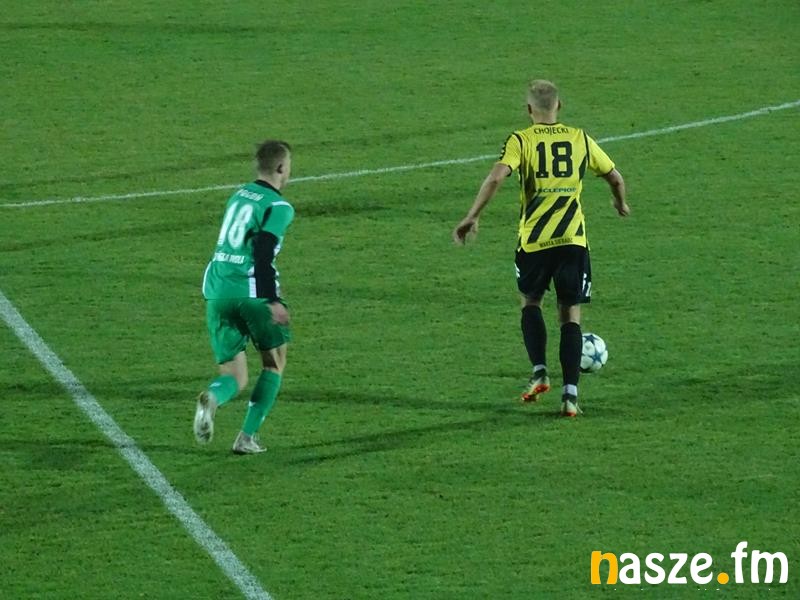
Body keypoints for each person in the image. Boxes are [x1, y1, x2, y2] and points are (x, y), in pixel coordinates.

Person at [453, 80, 630, 417]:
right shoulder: (580, 138)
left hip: (534, 241)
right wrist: (620, 203)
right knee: (570, 315)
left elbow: (496, 177)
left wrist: (472, 216)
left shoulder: (521, 140)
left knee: (531, 302)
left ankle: (539, 372)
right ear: (559, 106)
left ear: (529, 109)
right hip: (572, 242)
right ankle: (570, 396)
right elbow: (615, 178)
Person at [194, 140, 295, 453]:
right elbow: (262, 250)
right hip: (251, 292)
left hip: (217, 291)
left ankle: (212, 399)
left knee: (234, 375)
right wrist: (272, 299)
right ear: (281, 168)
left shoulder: (238, 195)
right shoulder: (279, 207)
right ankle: (246, 437)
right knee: (274, 363)